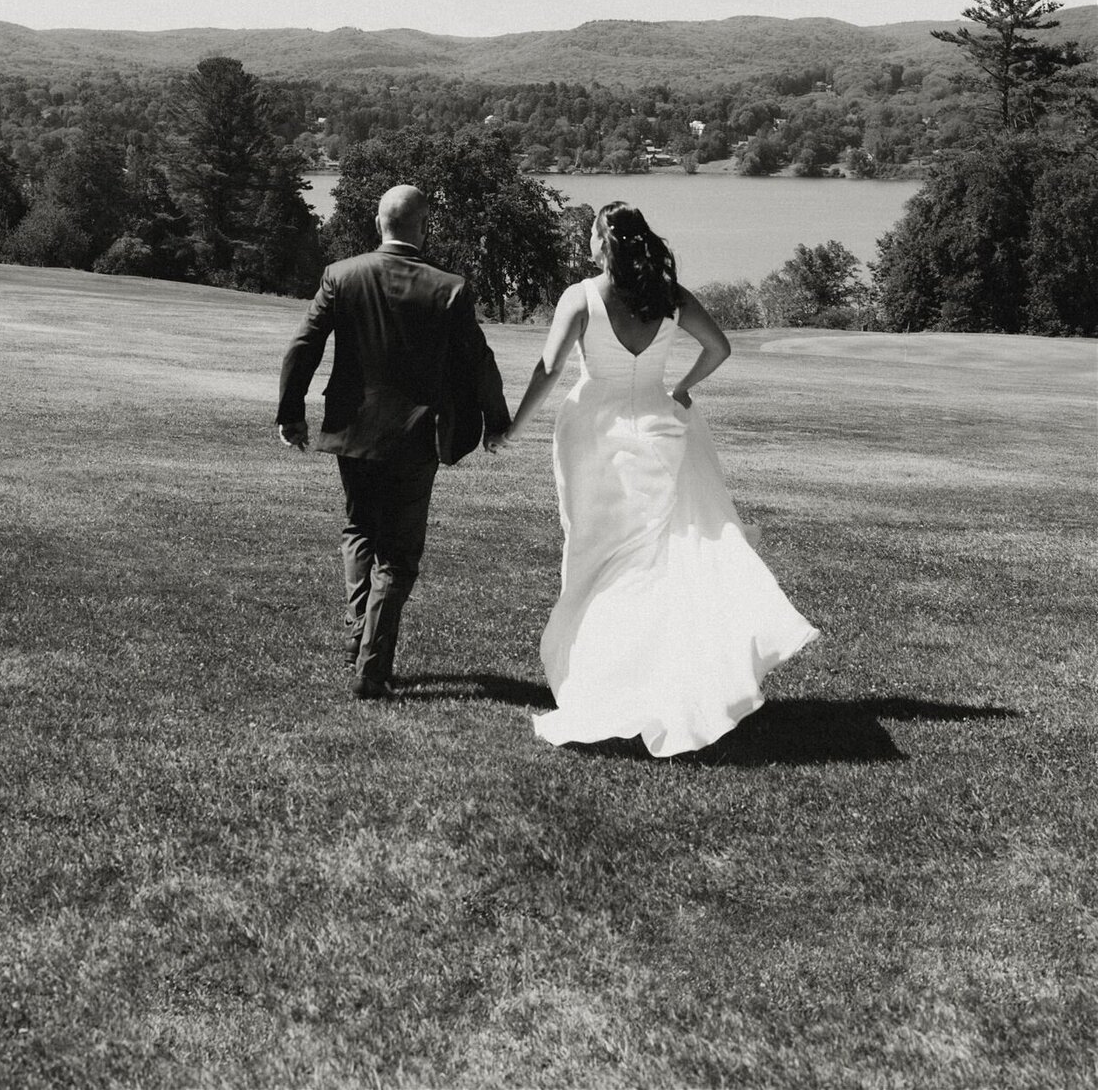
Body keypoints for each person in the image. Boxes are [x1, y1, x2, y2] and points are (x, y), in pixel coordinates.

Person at [506, 201, 818, 757]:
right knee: (649, 557)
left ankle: (606, 680)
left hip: (591, 435)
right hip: (656, 428)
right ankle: (652, 677)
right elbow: (718, 347)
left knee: (594, 554)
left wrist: (511, 428)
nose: (589, 244)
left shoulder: (580, 297)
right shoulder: (670, 298)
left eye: (591, 236)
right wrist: (679, 388)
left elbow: (550, 369)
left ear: (603, 243)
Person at [276, 184, 510, 700]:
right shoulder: (450, 287)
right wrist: (497, 420)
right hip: (414, 436)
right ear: (423, 225)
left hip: (352, 430)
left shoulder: (342, 275)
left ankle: (360, 637)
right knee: (398, 558)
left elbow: (302, 346)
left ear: (379, 224)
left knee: (359, 528)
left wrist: (291, 414)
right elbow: (478, 360)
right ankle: (372, 667)